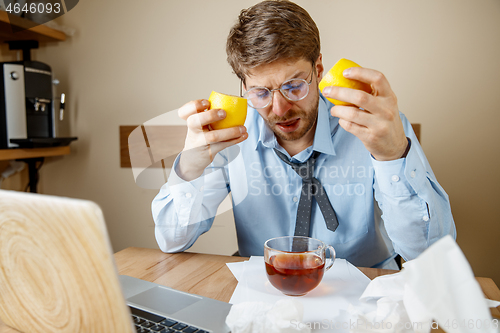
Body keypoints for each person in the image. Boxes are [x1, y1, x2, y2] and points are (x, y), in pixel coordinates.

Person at [152, 0, 455, 269]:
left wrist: (392, 156)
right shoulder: (230, 138)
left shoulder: (375, 127)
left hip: (366, 293)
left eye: (294, 85)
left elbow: (430, 257)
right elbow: (172, 240)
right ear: (244, 88)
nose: (280, 108)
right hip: (265, 292)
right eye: (261, 92)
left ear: (319, 68)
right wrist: (188, 168)